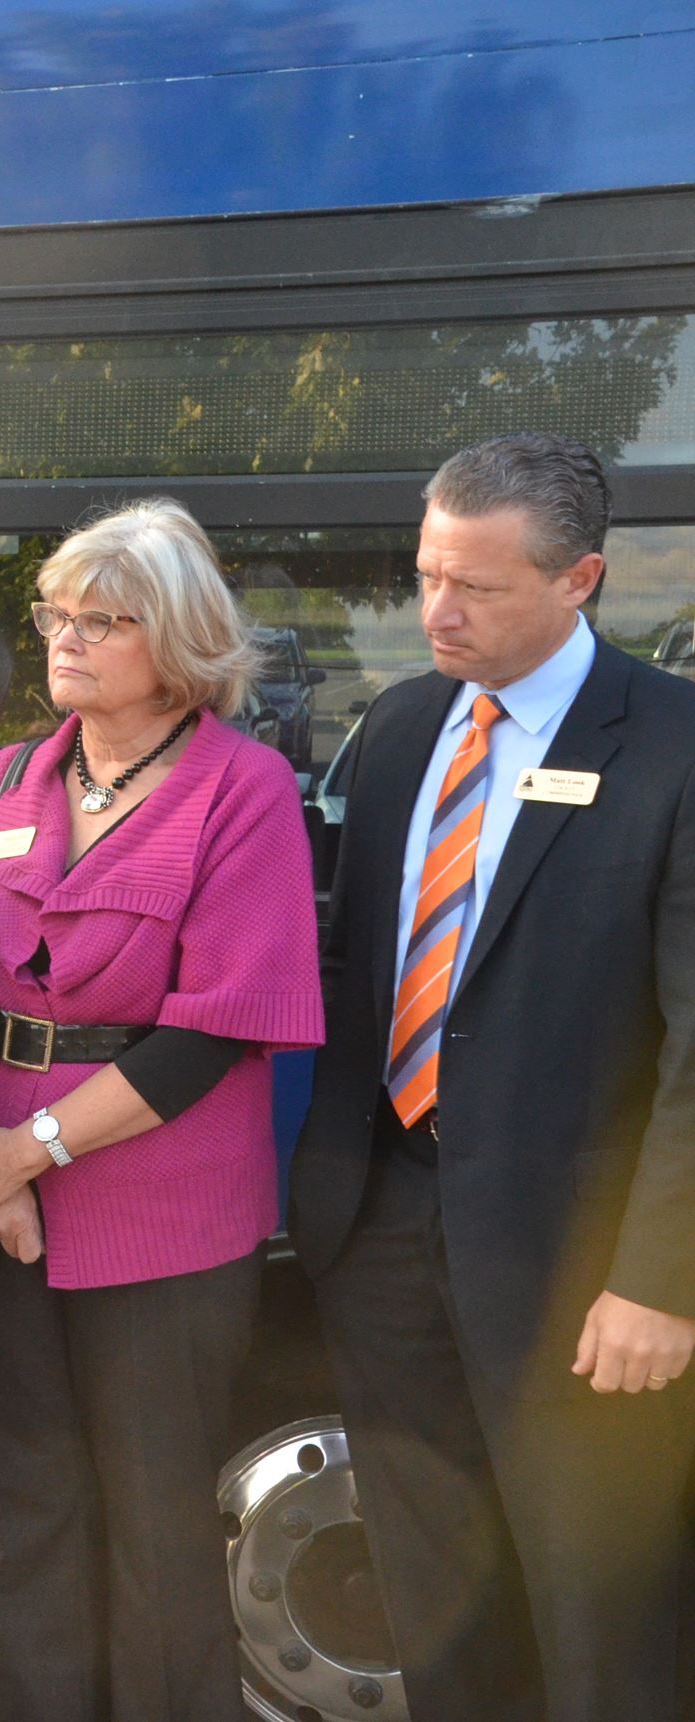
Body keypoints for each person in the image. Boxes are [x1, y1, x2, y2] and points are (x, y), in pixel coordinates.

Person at [290, 432, 695, 1721]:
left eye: (475, 586)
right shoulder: (403, 724)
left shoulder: (671, 744)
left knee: (595, 1605)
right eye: (423, 576)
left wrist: (658, 1279)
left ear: (578, 578)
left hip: (583, 1272)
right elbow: (356, 961)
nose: (435, 612)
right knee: (433, 1591)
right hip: (387, 1231)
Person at [0, 501, 322, 1722]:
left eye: (103, 620)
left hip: (160, 1213)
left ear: (181, 641)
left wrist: (28, 1150)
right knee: (32, 1511)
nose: (65, 640)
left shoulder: (239, 790)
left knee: (153, 1529)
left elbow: (213, 1027)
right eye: (55, 615)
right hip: (3, 1205)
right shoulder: (2, 781)